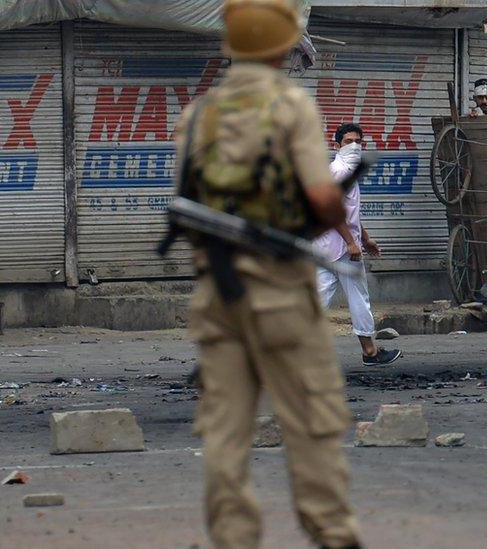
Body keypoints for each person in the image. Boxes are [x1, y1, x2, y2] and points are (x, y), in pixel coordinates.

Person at [176, 0, 362, 546]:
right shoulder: (289, 107)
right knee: (311, 418)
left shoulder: (199, 114)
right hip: (279, 292)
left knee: (225, 430)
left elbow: (186, 209)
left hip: (217, 294)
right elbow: (320, 195)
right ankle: (332, 533)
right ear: (282, 47)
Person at [314, 123, 402, 366]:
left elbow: (349, 212)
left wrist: (365, 238)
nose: (354, 146)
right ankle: (370, 352)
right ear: (336, 145)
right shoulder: (339, 172)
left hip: (328, 248)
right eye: (347, 142)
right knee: (358, 299)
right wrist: (352, 243)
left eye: (358, 142)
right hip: (341, 249)